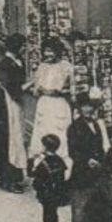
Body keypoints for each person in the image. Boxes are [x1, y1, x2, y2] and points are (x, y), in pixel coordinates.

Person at [67, 92, 112, 222]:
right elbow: (73, 151)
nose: (88, 110)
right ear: (80, 108)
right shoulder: (74, 127)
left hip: (99, 171)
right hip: (83, 173)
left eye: (91, 106)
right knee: (83, 208)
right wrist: (87, 161)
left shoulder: (97, 125)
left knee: (103, 205)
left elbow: (102, 146)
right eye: (85, 107)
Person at [0, 33, 27, 193]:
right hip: (5, 104)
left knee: (15, 137)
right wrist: (25, 88)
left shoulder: (18, 61)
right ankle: (7, 177)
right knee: (7, 139)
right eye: (22, 46)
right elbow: (9, 85)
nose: (24, 49)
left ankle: (13, 174)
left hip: (14, 103)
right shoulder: (5, 63)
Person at [29, 37, 73, 166]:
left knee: (59, 131)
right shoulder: (42, 67)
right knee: (42, 132)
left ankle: (61, 166)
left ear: (58, 51)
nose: (48, 54)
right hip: (44, 105)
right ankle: (41, 166)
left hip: (59, 104)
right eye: (46, 51)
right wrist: (40, 90)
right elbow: (35, 91)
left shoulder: (66, 66)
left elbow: (72, 89)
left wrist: (60, 92)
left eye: (51, 51)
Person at [28, 133, 69, 222]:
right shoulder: (60, 161)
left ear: (45, 147)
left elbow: (31, 174)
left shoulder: (43, 163)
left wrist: (32, 160)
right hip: (56, 195)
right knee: (47, 221)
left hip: (46, 196)